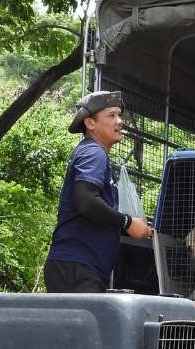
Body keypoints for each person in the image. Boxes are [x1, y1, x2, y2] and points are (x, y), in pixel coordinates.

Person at [44, 91, 152, 293]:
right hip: (77, 268)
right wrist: (127, 222)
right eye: (111, 116)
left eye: (120, 115)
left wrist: (133, 226)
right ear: (90, 123)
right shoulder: (94, 153)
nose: (120, 121)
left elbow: (95, 209)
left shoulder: (93, 153)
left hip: (78, 266)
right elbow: (86, 201)